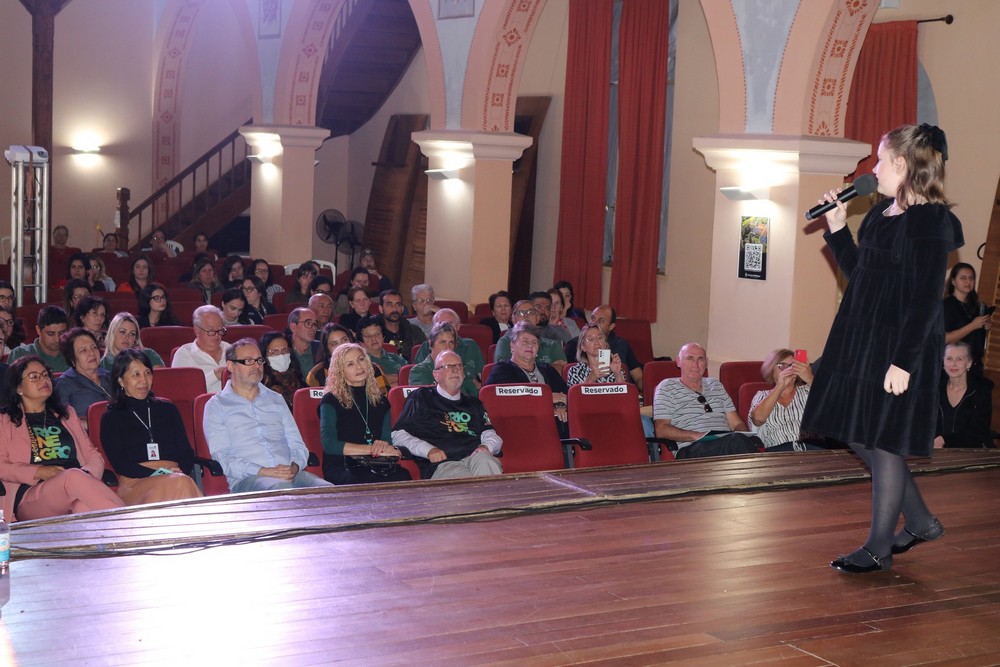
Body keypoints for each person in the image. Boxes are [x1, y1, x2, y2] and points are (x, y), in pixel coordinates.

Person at [801, 124, 960, 574]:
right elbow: (862, 277)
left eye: (879, 160)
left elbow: (927, 298)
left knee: (883, 442)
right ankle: (923, 521)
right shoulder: (878, 214)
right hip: (861, 338)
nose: (872, 169)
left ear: (903, 166)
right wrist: (836, 230)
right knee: (855, 431)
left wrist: (904, 361)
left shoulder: (932, 222)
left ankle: (878, 547)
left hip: (900, 344)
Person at [0, 356, 124, 521]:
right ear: (19, 388)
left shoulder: (67, 414)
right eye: (34, 376)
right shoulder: (5, 420)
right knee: (72, 477)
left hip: (74, 483)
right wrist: (39, 471)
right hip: (31, 495)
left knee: (83, 506)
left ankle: (116, 544)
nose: (43, 379)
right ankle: (133, 527)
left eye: (45, 375)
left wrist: (85, 475)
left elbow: (92, 455)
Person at [202, 338, 333, 492]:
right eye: (248, 361)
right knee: (281, 490)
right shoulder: (216, 406)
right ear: (230, 366)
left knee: (328, 491)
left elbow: (297, 445)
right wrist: (263, 471)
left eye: (259, 360)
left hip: (290, 475)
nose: (256, 366)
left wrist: (295, 466)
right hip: (249, 479)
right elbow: (223, 457)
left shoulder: (276, 399)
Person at [100, 349, 203, 504]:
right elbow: (121, 465)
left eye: (147, 373)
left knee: (180, 482)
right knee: (180, 483)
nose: (144, 380)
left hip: (175, 476)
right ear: (121, 380)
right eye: (136, 375)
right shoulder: (111, 417)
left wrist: (176, 471)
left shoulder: (168, 408)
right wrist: (158, 473)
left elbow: (186, 452)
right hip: (135, 482)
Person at [392, 349, 503, 479]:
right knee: (471, 481)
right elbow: (398, 434)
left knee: (486, 460)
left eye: (459, 366)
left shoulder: (474, 403)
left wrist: (485, 446)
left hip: (475, 458)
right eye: (448, 366)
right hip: (443, 464)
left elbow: (491, 434)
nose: (455, 370)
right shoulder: (421, 397)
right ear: (435, 375)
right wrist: (428, 450)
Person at [319, 343, 411, 484]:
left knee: (404, 476)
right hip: (343, 466)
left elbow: (386, 440)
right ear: (340, 371)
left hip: (375, 465)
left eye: (361, 359)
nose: (359, 366)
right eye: (350, 364)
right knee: (364, 480)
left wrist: (383, 445)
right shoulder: (330, 400)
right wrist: (371, 449)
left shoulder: (381, 401)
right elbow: (329, 444)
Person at [653, 342, 762, 459]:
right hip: (691, 448)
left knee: (742, 440)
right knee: (737, 442)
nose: (695, 364)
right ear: (678, 361)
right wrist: (696, 436)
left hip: (726, 444)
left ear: (706, 363)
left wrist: (743, 434)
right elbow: (661, 429)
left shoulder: (716, 385)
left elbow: (736, 423)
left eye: (700, 359)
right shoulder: (667, 386)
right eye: (690, 358)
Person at [485, 322, 569, 435]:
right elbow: (498, 402)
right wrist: (547, 398)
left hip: (553, 430)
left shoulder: (548, 370)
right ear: (512, 345)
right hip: (518, 430)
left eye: (534, 342)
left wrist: (560, 406)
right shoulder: (502, 370)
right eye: (525, 341)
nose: (530, 345)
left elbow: (565, 395)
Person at [748, 349, 823, 451]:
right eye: (782, 366)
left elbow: (834, 408)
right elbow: (758, 419)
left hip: (811, 448)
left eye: (792, 366)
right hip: (778, 452)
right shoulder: (762, 396)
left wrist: (810, 378)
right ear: (771, 369)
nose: (788, 370)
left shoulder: (808, 390)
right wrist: (780, 386)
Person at [935, 341, 993, 449]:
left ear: (969, 363)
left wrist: (944, 440)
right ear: (943, 362)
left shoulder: (981, 389)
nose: (953, 364)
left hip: (971, 451)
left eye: (959, 359)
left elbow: (979, 431)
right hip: (936, 451)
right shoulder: (934, 387)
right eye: (949, 358)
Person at [53, 328, 113, 429]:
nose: (92, 353)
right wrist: (94, 426)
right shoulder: (64, 384)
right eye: (83, 350)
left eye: (94, 347)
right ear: (72, 359)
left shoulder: (110, 377)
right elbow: (65, 420)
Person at [942, 262, 991, 375]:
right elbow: (945, 339)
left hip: (974, 364)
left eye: (971, 278)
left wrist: (985, 329)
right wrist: (972, 326)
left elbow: (973, 338)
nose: (968, 281)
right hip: (954, 367)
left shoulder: (977, 306)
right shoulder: (947, 305)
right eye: (963, 278)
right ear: (953, 281)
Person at [493, 300, 567, 372]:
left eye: (531, 312)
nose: (526, 316)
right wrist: (547, 367)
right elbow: (505, 370)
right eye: (520, 313)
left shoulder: (553, 345)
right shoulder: (506, 342)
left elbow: (560, 372)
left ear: (538, 318)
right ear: (514, 320)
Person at [171, 305, 231, 393]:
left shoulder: (231, 350)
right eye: (211, 331)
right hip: (201, 405)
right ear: (197, 330)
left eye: (220, 330)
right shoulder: (184, 354)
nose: (217, 335)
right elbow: (181, 390)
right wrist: (214, 375)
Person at [409, 323, 478, 395]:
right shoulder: (420, 371)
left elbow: (473, 396)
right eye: (443, 342)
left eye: (451, 342)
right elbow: (421, 399)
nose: (448, 347)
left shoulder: (460, 369)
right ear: (431, 344)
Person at [7, 305, 71, 372]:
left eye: (61, 333)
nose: (57, 339)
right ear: (38, 330)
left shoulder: (73, 353)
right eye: (50, 334)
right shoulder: (20, 354)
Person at [101, 312, 165, 371]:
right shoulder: (101, 364)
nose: (127, 337)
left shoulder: (149, 355)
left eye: (132, 334)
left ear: (135, 339)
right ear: (112, 333)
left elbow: (160, 380)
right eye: (122, 332)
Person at [259, 332, 307, 409]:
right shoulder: (261, 386)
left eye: (284, 350)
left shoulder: (298, 380)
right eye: (274, 352)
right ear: (264, 356)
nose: (281, 355)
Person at [375, 289, 425, 362]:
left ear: (402, 308)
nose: (394, 309)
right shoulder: (374, 334)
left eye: (398, 305)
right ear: (381, 309)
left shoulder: (414, 332)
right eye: (389, 305)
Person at [358, 316, 406, 387]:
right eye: (368, 336)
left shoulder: (397, 358)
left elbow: (410, 377)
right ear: (361, 342)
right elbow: (369, 383)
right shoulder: (360, 362)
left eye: (377, 334)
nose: (374, 339)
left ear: (383, 337)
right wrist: (397, 377)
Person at [287, 307, 320, 372]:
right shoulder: (283, 350)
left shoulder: (321, 349)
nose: (313, 328)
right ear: (293, 327)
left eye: (315, 324)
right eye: (308, 323)